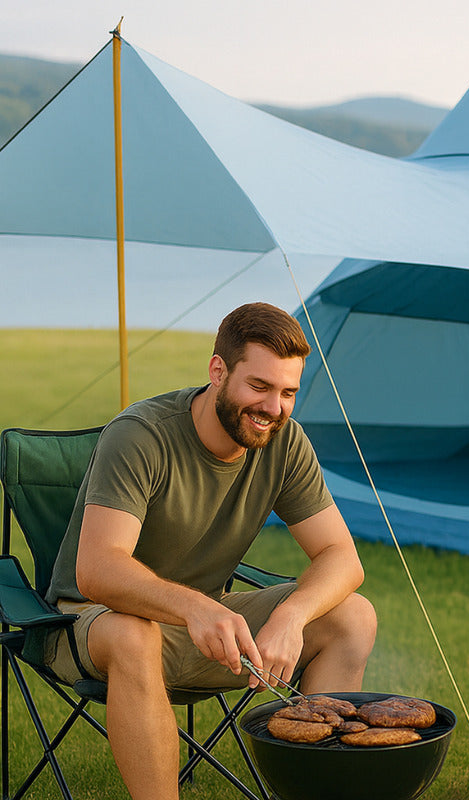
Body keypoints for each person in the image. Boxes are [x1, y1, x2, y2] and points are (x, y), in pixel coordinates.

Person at [44, 302, 377, 800]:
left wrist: (290, 616)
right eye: (259, 387)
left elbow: (341, 557)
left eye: (289, 392)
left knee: (352, 616)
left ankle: (317, 788)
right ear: (218, 371)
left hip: (212, 633)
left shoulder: (284, 441)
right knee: (136, 635)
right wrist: (196, 607)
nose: (274, 408)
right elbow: (97, 570)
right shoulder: (141, 435)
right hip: (94, 625)